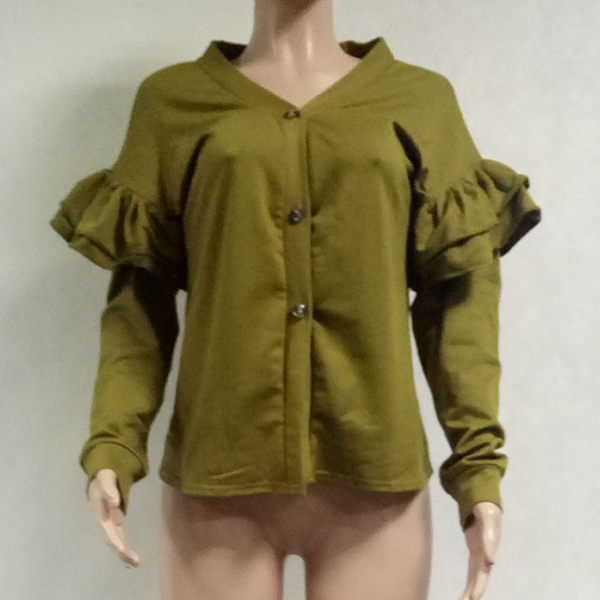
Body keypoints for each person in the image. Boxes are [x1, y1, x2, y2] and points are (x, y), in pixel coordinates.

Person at [50, 2, 541, 599]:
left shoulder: (420, 99)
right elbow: (138, 308)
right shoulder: (171, 101)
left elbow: (458, 305)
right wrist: (114, 445)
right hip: (218, 485)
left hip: (374, 491)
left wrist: (478, 470)